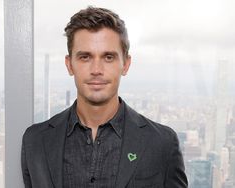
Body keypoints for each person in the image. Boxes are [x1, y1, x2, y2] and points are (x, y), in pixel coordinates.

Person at [21, 6, 188, 188]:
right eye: (85, 57)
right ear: (69, 65)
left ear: (125, 64)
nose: (96, 70)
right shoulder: (36, 141)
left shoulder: (162, 143)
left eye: (108, 57)